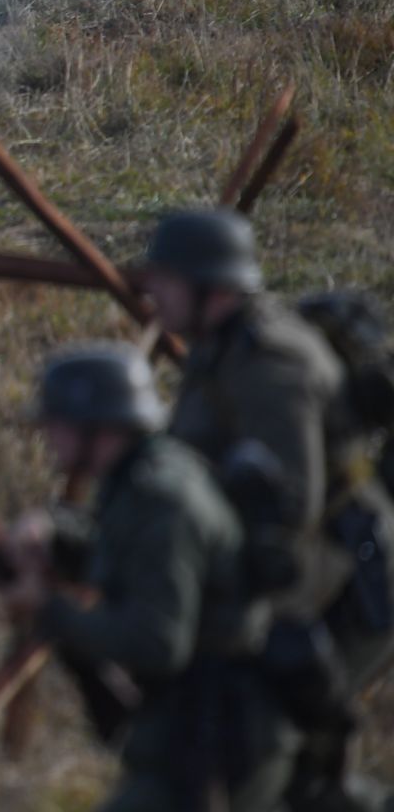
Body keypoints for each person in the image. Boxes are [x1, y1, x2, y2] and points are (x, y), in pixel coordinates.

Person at [142, 211, 394, 810]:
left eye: (166, 280)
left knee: (268, 767)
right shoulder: (222, 350)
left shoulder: (269, 365)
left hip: (340, 588)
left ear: (214, 287)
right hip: (302, 585)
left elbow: (288, 508)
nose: (152, 292)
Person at [5, 343, 294, 812]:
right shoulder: (144, 475)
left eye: (57, 425)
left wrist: (50, 610)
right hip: (195, 731)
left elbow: (157, 642)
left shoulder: (160, 499)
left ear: (96, 428)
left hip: (216, 743)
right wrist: (52, 529)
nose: (48, 437)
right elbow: (117, 545)